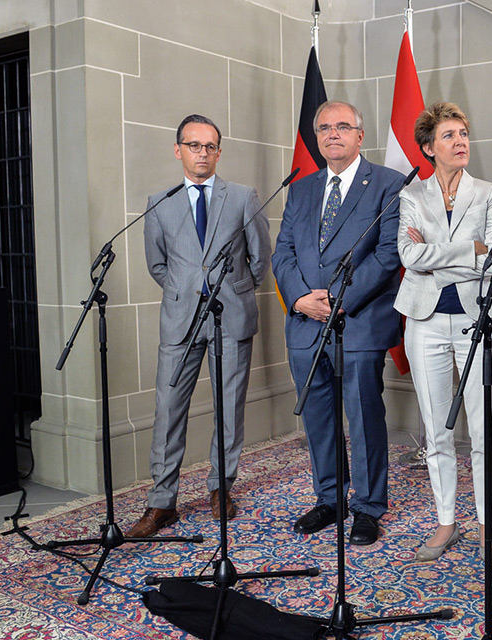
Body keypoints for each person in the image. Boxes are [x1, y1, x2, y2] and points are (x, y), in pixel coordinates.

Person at [128, 114, 271, 538]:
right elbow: (158, 265)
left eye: (210, 146)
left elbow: (260, 259)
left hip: (231, 316)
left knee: (229, 407)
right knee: (168, 409)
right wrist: (186, 292)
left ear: (218, 152)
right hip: (180, 320)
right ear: (179, 150)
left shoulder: (243, 197)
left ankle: (220, 488)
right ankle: (161, 502)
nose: (202, 153)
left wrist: (234, 290)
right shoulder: (160, 202)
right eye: (193, 145)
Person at [272, 101, 405, 546]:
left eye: (343, 126)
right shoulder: (301, 189)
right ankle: (330, 498)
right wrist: (298, 299)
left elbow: (389, 253)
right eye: (325, 127)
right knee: (318, 416)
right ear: (317, 137)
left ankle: (368, 506)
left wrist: (339, 300)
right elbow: (283, 251)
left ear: (360, 136)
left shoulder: (388, 183)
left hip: (359, 321)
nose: (333, 134)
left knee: (363, 416)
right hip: (305, 322)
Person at [394, 102, 492, 562]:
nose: (461, 142)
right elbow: (408, 256)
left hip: (477, 320)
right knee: (437, 430)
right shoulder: (411, 196)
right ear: (428, 148)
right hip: (423, 323)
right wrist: (467, 250)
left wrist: (435, 253)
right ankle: (446, 522)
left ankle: (486, 524)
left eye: (463, 133)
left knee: (483, 431)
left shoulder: (489, 193)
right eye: (449, 136)